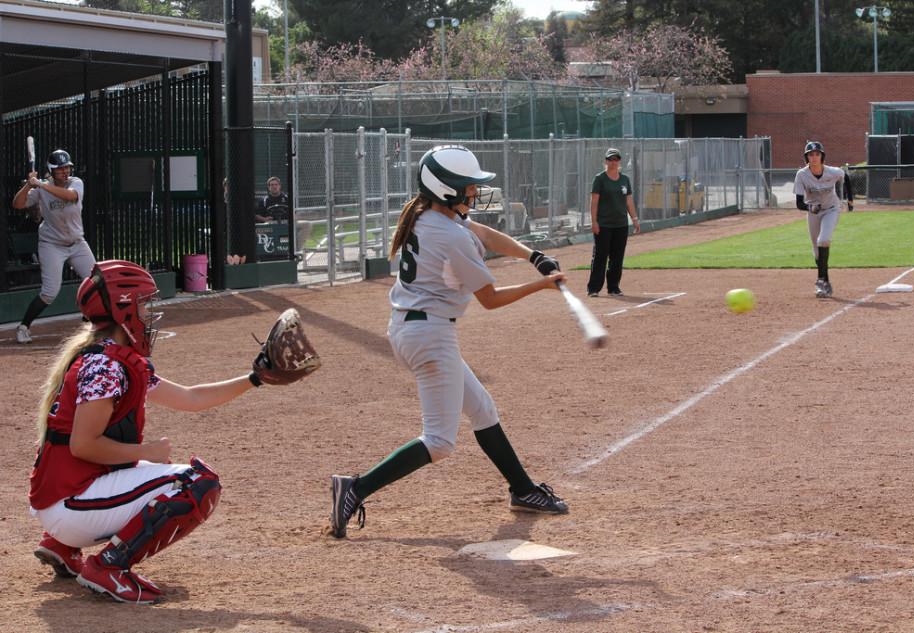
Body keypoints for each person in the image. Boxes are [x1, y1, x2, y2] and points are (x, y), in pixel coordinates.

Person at [328, 145, 568, 539]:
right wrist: (541, 285)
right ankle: (355, 488)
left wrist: (534, 256)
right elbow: (490, 299)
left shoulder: (429, 215)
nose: (474, 192)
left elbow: (484, 233)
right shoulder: (449, 235)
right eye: (467, 187)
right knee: (439, 442)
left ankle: (523, 489)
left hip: (416, 328)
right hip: (428, 335)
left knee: (482, 409)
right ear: (446, 190)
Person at [28, 260, 269, 604]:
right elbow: (83, 445)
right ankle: (108, 566)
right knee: (197, 483)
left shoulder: (112, 358)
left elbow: (191, 396)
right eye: (142, 304)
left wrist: (255, 378)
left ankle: (62, 546)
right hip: (69, 504)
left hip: (65, 500)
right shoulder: (107, 365)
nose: (149, 313)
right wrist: (146, 452)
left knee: (161, 476)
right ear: (122, 308)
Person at [12, 149, 95, 344]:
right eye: (60, 169)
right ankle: (23, 327)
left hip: (77, 242)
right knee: (50, 292)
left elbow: (70, 196)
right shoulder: (42, 189)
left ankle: (88, 319)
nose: (65, 172)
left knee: (96, 281)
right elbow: (17, 204)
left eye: (67, 167)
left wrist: (40, 184)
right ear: (52, 170)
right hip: (52, 245)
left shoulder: (76, 183)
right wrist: (29, 186)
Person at [794, 141, 853, 298]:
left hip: (831, 209)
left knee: (824, 240)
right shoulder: (802, 175)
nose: (814, 158)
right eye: (810, 155)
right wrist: (809, 208)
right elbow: (799, 203)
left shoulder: (831, 172)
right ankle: (826, 281)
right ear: (806, 158)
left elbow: (845, 176)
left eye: (817, 154)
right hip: (813, 212)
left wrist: (850, 200)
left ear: (822, 157)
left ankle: (820, 282)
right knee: (817, 251)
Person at [586, 147, 640, 298]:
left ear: (619, 161)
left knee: (617, 257)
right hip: (604, 224)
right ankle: (593, 288)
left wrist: (634, 219)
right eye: (610, 159)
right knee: (600, 256)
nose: (613, 162)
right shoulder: (600, 179)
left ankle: (614, 287)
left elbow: (629, 201)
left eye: (616, 159)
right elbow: (594, 202)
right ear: (606, 161)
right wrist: (594, 222)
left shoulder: (624, 180)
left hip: (621, 224)